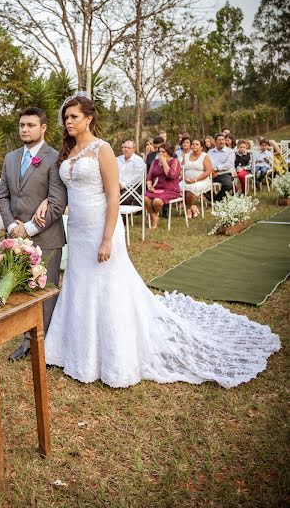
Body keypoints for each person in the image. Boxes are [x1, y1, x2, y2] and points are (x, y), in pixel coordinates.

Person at [34, 94, 280, 388]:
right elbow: (63, 187)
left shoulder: (103, 150)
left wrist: (107, 238)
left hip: (102, 227)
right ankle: (79, 352)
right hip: (77, 230)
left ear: (89, 118)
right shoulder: (69, 152)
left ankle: (114, 358)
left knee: (108, 287)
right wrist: (46, 201)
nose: (68, 121)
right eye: (66, 117)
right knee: (81, 284)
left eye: (74, 116)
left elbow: (114, 196)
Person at [0, 107, 67, 361]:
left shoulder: (55, 158)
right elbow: (3, 196)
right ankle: (27, 342)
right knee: (24, 291)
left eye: (31, 125)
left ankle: (46, 346)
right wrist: (12, 227)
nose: (25, 129)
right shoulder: (10, 158)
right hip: (16, 236)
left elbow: (57, 204)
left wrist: (29, 228)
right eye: (22, 125)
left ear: (43, 127)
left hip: (46, 238)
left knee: (46, 293)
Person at [144, 142, 181, 228]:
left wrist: (164, 163)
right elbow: (149, 177)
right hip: (156, 188)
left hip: (170, 189)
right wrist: (150, 186)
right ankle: (154, 217)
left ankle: (153, 216)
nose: (160, 153)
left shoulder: (174, 162)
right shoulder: (155, 162)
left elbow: (171, 176)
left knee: (157, 201)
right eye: (159, 151)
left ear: (169, 153)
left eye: (163, 152)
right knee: (146, 198)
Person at [180, 139, 212, 218]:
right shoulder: (186, 155)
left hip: (201, 180)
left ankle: (188, 209)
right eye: (193, 144)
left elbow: (208, 171)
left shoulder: (205, 156)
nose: (194, 145)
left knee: (192, 188)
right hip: (186, 180)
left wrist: (195, 180)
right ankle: (192, 207)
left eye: (196, 144)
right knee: (179, 186)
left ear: (201, 147)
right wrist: (185, 178)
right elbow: (181, 169)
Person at [206, 133, 235, 202]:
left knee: (228, 185)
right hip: (211, 174)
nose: (221, 141)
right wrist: (212, 171)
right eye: (219, 140)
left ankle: (217, 200)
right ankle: (213, 199)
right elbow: (207, 162)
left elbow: (229, 164)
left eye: (223, 140)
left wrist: (216, 169)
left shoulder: (230, 151)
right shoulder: (210, 152)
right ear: (215, 141)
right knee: (201, 185)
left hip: (224, 174)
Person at [117, 139, 145, 204]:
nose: (126, 149)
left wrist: (122, 185)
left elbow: (137, 177)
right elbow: (113, 173)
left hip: (133, 187)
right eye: (124, 147)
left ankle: (123, 214)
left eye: (128, 148)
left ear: (134, 149)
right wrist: (117, 183)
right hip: (116, 185)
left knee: (124, 198)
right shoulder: (117, 159)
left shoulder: (139, 161)